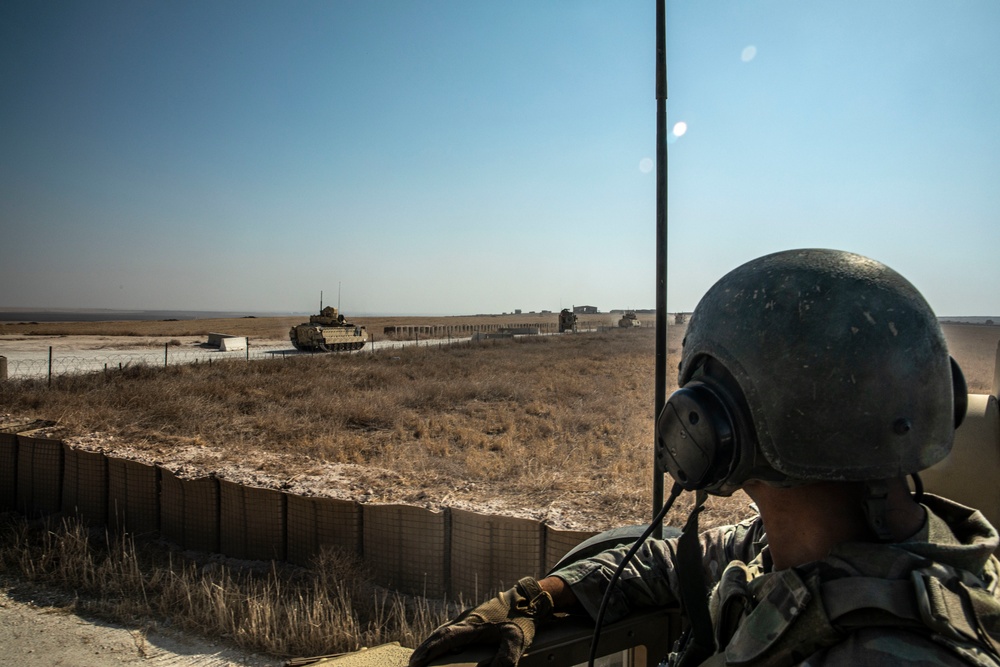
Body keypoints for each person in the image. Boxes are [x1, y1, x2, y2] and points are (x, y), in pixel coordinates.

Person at [408, 249, 1000, 667]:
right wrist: (537, 596)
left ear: (720, 425)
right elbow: (672, 562)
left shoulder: (895, 651)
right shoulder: (813, 544)